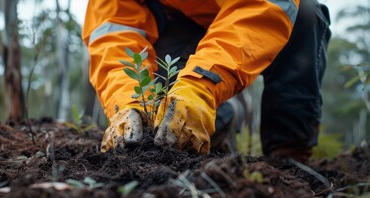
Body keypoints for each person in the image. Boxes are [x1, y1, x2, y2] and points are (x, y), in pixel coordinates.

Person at [82, 0, 331, 163]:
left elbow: (262, 8)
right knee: (165, 117)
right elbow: (115, 31)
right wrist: (129, 103)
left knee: (305, 14)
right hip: (179, 24)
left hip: (251, 15)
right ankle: (220, 126)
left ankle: (289, 159)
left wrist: (202, 84)